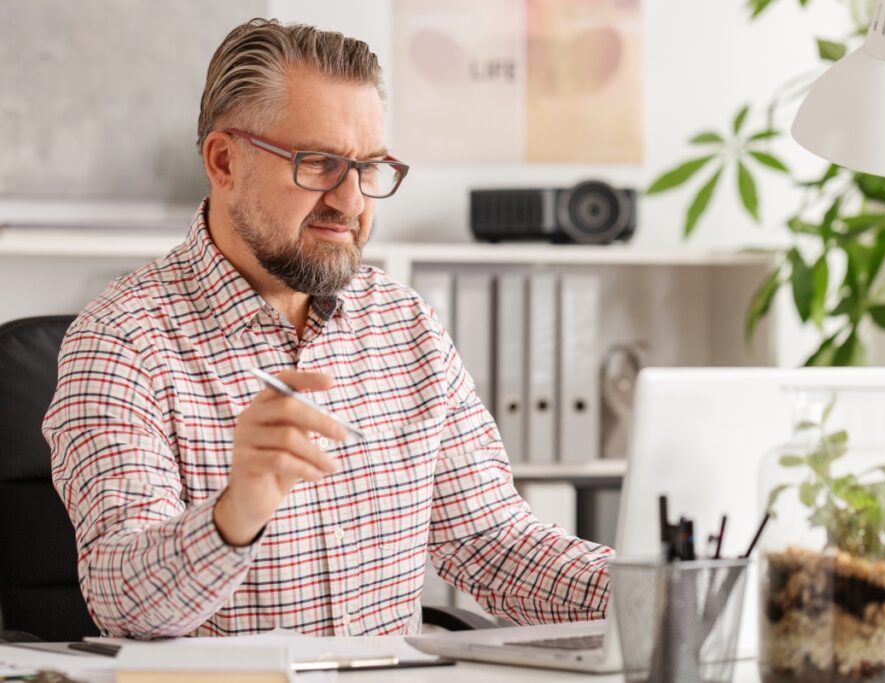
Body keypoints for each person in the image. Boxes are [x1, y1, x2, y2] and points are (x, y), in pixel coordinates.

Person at [42, 18, 611, 639]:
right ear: (224, 160)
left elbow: (491, 542)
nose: (352, 202)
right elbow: (123, 604)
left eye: (368, 168)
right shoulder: (122, 340)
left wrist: (669, 591)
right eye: (318, 164)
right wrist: (236, 513)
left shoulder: (405, 323)